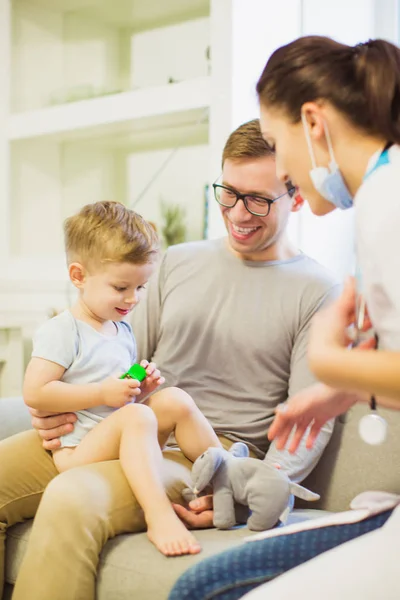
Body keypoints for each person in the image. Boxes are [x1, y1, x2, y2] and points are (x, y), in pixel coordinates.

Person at [0, 119, 338, 600]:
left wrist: (251, 490)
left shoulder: (318, 291)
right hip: (121, 420)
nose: (239, 213)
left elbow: (310, 417)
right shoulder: (175, 262)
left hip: (204, 454)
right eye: (229, 193)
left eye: (259, 199)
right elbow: (120, 357)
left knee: (73, 498)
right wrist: (54, 405)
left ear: (298, 196)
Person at [169, 36, 400, 600]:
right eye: (231, 193)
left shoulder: (386, 204)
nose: (288, 171)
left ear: (313, 123)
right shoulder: (381, 194)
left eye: (277, 144)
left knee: (204, 589)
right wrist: (342, 392)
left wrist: (330, 364)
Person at [23, 200, 224, 557]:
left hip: (117, 432)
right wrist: (105, 392)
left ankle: (228, 479)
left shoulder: (120, 328)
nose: (132, 299)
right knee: (137, 416)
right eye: (121, 288)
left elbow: (120, 397)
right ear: (79, 276)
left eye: (141, 287)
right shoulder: (63, 330)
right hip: (77, 451)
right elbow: (36, 392)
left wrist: (139, 387)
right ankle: (159, 515)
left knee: (173, 399)